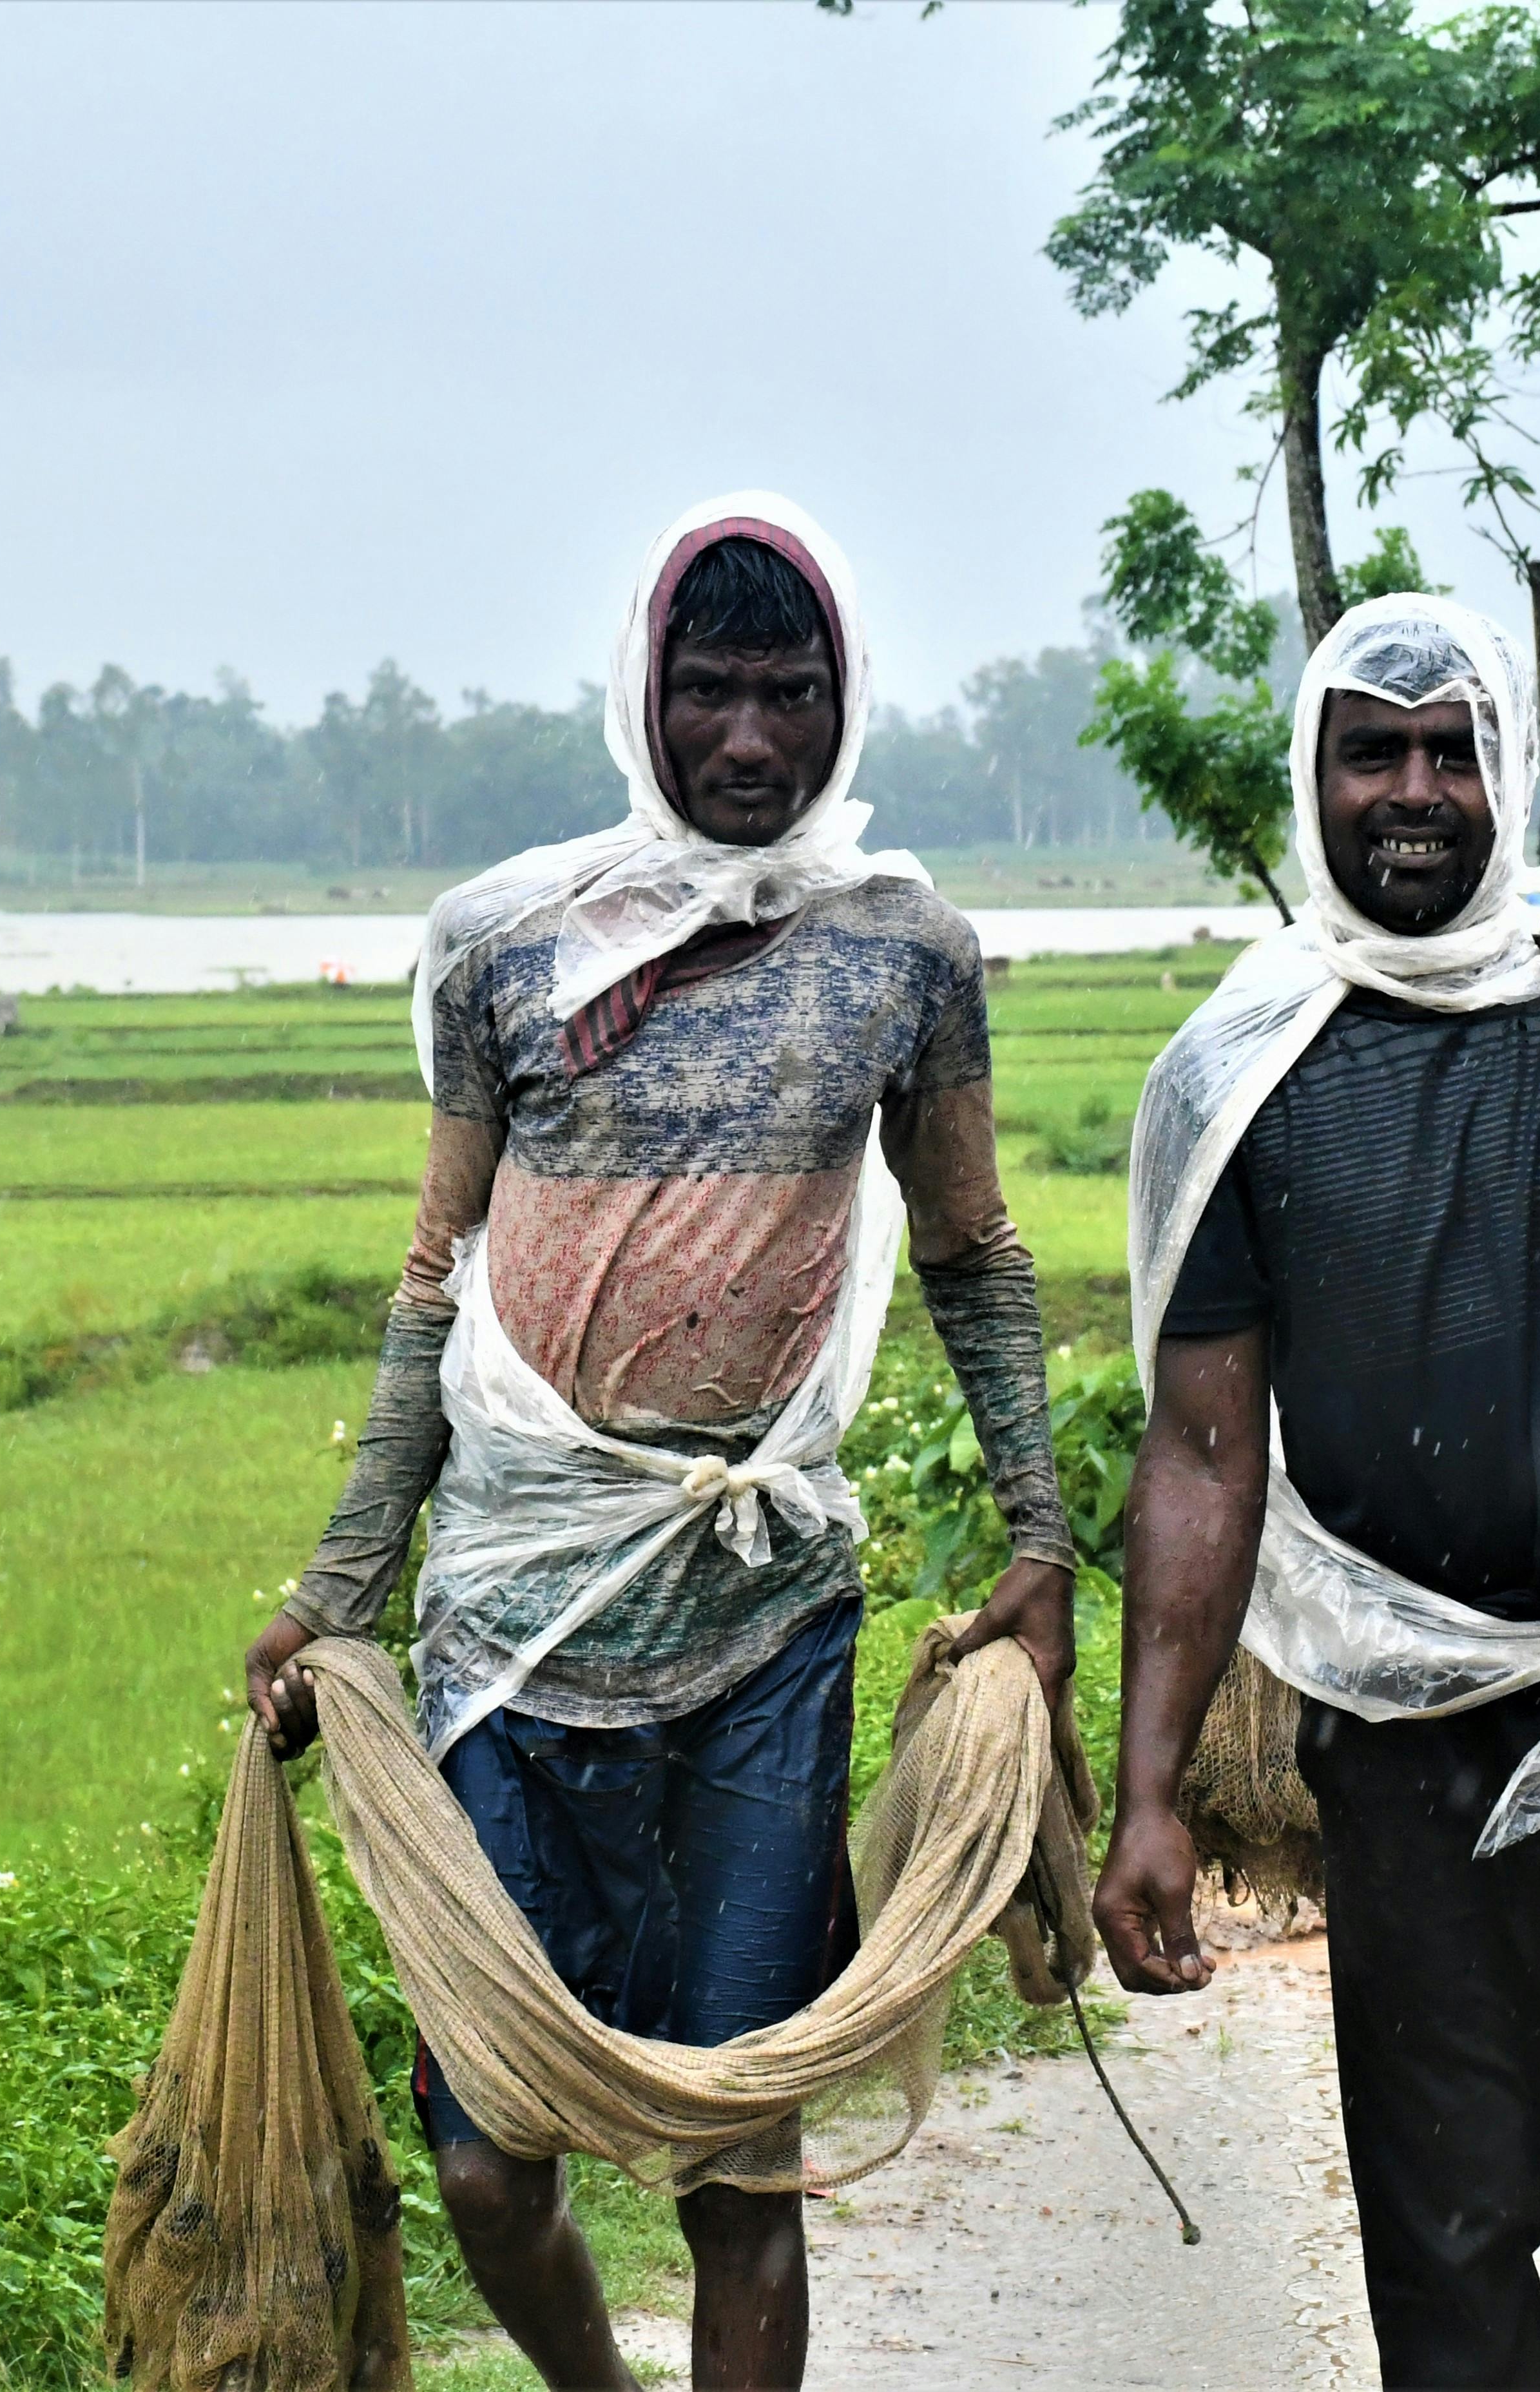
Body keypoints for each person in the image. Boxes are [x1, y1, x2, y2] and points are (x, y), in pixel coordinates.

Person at [240, 494, 1077, 2392]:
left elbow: (970, 1247)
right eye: (711, 695)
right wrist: (338, 1587)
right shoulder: (510, 952)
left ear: (843, 706)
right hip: (514, 1627)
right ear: (646, 695)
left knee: (741, 2155)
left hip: (763, 1623)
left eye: (791, 696)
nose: (752, 743)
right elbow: (435, 1287)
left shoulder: (903, 958)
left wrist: (1045, 1537)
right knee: (481, 2158)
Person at [1094, 592, 1540, 2390]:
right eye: (1371, 753)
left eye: (1448, 752)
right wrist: (1151, 1790)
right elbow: (1201, 1453)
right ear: (1313, 780)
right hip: (1403, 1758)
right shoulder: (1239, 1075)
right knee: (1449, 2249)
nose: (1412, 791)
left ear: (1504, 773)